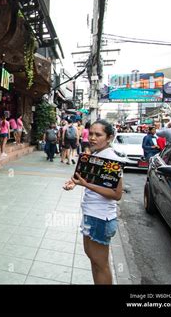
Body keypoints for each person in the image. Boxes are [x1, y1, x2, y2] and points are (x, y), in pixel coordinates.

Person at [63, 120, 123, 284]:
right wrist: (75, 182)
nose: (93, 138)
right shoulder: (96, 155)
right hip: (91, 214)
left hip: (100, 218)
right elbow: (88, 180)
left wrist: (86, 184)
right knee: (94, 260)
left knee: (100, 264)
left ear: (109, 137)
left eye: (98, 135)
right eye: (91, 134)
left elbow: (117, 194)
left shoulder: (111, 160)